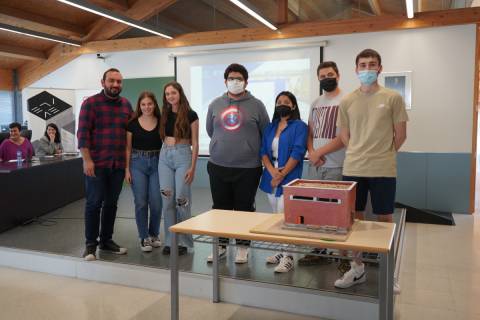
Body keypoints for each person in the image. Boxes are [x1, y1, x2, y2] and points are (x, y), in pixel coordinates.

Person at [334, 49, 408, 289]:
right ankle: (358, 270)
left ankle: (389, 274)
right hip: (353, 166)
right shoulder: (347, 101)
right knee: (354, 219)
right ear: (356, 69)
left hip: (383, 169)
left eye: (372, 64)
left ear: (380, 68)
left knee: (384, 218)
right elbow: (344, 133)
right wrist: (358, 150)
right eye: (363, 65)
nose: (367, 69)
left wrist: (382, 154)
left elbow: (401, 135)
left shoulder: (393, 98)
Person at [206, 63, 270, 264]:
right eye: (231, 78)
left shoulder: (257, 105)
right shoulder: (215, 104)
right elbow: (210, 130)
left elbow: (265, 132)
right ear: (225, 81)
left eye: (239, 79)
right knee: (220, 208)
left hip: (248, 167)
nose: (235, 82)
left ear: (246, 82)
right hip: (218, 165)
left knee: (244, 208)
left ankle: (243, 247)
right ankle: (222, 245)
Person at [77, 68, 133, 261]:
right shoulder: (90, 104)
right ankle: (90, 245)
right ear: (103, 82)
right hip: (97, 164)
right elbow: (82, 134)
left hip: (117, 165)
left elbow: (131, 134)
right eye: (111, 81)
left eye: (119, 81)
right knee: (93, 204)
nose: (115, 85)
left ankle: (106, 241)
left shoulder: (126, 105)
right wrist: (87, 160)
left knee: (111, 204)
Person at [298, 61, 346, 266]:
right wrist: (311, 152)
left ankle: (343, 253)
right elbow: (310, 132)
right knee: (316, 209)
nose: (326, 78)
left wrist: (319, 152)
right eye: (322, 76)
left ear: (338, 75)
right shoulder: (316, 103)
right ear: (318, 79)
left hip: (338, 165)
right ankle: (319, 249)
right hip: (316, 165)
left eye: (330, 74)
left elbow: (345, 136)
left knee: (337, 211)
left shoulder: (347, 101)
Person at [259, 91, 307, 273]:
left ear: (293, 106)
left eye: (286, 102)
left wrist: (281, 175)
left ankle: (289, 257)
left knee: (287, 216)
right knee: (275, 215)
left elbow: (298, 151)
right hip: (270, 176)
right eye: (279, 101)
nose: (282, 104)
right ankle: (281, 251)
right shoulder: (270, 127)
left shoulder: (300, 126)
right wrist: (272, 172)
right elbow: (263, 151)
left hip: (290, 175)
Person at [158, 81, 199, 256]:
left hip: (183, 157)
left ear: (180, 93)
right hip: (165, 156)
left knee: (182, 200)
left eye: (173, 93)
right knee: (167, 200)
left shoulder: (191, 114)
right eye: (167, 94)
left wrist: (193, 167)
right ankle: (170, 240)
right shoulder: (164, 114)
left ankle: (183, 241)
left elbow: (195, 143)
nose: (170, 96)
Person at [125, 91, 163, 253]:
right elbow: (127, 148)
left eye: (149, 104)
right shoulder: (132, 124)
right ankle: (143, 236)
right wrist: (127, 169)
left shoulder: (162, 122)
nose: (147, 107)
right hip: (137, 163)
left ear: (154, 105)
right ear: (139, 106)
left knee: (156, 202)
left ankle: (154, 234)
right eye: (143, 104)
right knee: (141, 202)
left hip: (157, 163)